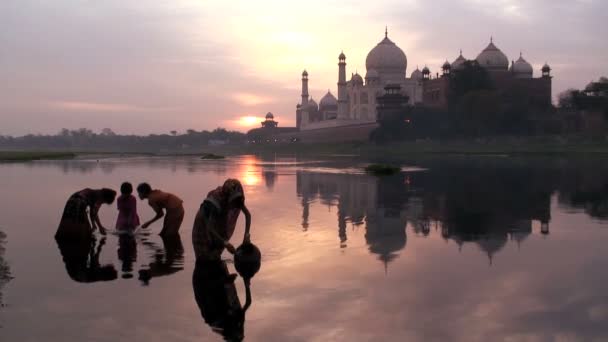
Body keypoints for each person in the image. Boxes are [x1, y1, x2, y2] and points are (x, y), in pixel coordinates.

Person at [192, 179, 251, 260]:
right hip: (203, 225)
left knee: (216, 255)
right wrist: (225, 243)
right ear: (227, 196)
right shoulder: (215, 200)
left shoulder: (238, 199)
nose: (234, 205)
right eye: (233, 202)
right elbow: (209, 226)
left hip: (218, 222)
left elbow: (247, 215)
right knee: (204, 259)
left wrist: (246, 236)